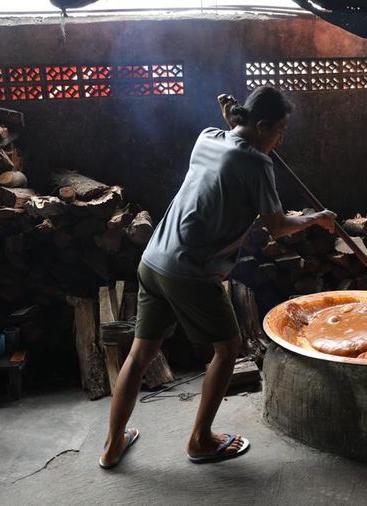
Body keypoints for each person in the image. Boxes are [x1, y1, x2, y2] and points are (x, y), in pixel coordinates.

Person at [99, 86, 337, 468]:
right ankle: (200, 439)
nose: (281, 139)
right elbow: (276, 226)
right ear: (261, 125)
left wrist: (239, 129)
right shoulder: (259, 165)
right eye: (279, 130)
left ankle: (112, 446)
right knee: (227, 349)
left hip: (154, 259)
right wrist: (315, 217)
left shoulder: (207, 138)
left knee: (140, 353)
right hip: (189, 271)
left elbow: (232, 144)